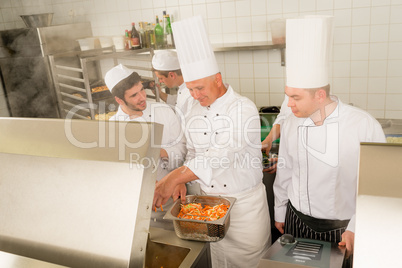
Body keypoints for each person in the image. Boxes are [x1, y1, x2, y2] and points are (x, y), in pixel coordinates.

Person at [152, 15, 271, 268]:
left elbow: (223, 154)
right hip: (207, 210)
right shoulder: (192, 108)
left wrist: (175, 177)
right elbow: (195, 152)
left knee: (249, 263)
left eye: (200, 89)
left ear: (217, 79)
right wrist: (185, 180)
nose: (195, 96)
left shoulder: (243, 108)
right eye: (191, 89)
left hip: (244, 211)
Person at [273, 15, 386, 266]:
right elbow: (286, 169)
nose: (288, 104)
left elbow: (375, 187)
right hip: (295, 221)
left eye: (296, 97)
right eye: (287, 96)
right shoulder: (292, 122)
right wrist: (280, 210)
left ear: (320, 95)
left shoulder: (363, 126)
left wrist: (356, 227)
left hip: (341, 230)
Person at [105, 64, 186, 227]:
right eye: (134, 95)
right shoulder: (113, 128)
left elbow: (183, 149)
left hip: (173, 198)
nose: (143, 97)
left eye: (142, 90)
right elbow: (116, 173)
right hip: (139, 206)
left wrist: (160, 153)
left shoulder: (163, 111)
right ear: (119, 100)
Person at [151, 50, 192, 120]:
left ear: (172, 75)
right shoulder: (183, 87)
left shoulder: (191, 94)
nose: (160, 81)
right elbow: (177, 101)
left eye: (161, 78)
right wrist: (160, 94)